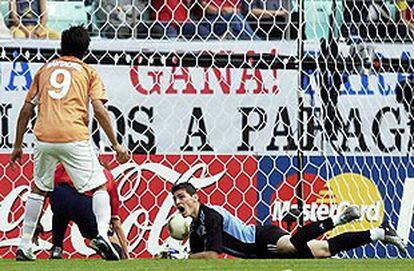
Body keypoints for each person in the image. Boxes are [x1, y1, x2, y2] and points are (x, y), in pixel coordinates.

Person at [9, 25, 129, 261]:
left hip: (43, 137)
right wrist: (116, 144)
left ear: (61, 46)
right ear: (86, 49)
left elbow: (26, 109)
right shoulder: (88, 72)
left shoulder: (44, 70)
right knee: (100, 185)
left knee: (39, 188)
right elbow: (100, 110)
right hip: (74, 136)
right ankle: (102, 235)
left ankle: (24, 245)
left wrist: (17, 145)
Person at [166, 182, 406, 259]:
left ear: (196, 198)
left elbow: (212, 255)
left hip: (261, 239)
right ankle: (380, 233)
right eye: (175, 199)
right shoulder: (196, 226)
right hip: (259, 253)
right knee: (323, 250)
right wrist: (174, 258)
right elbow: (199, 261)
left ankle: (339, 218)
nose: (178, 202)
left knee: (290, 244)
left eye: (182, 197)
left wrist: (183, 256)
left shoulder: (212, 216)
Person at [46, 163, 129, 259]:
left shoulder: (66, 163)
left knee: (60, 213)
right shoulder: (108, 176)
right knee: (108, 240)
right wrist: (126, 252)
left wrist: (37, 220)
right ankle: (101, 240)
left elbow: (46, 187)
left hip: (60, 196)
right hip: (84, 205)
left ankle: (57, 248)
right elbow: (116, 223)